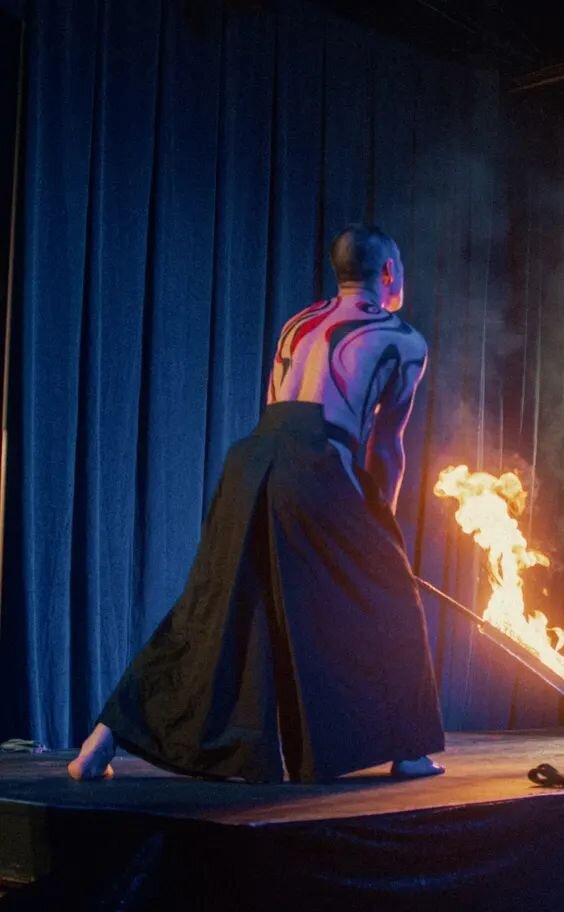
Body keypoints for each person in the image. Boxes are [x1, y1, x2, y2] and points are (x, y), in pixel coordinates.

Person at [69, 224, 445, 782]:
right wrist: (379, 524)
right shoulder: (403, 339)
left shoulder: (300, 322)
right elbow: (385, 446)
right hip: (316, 461)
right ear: (389, 272)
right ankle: (407, 748)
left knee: (212, 604)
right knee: (393, 596)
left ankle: (100, 740)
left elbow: (281, 403)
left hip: (251, 459)